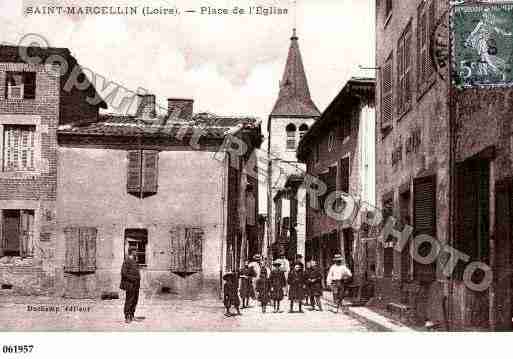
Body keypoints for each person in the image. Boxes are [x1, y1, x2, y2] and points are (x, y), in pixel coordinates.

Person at [120, 248, 141, 323]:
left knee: (135, 300)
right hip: (130, 285)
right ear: (132, 252)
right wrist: (133, 279)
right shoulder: (127, 261)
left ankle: (132, 315)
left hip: (136, 285)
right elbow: (123, 273)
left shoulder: (135, 261)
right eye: (136, 251)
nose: (137, 252)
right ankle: (127, 317)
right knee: (129, 300)